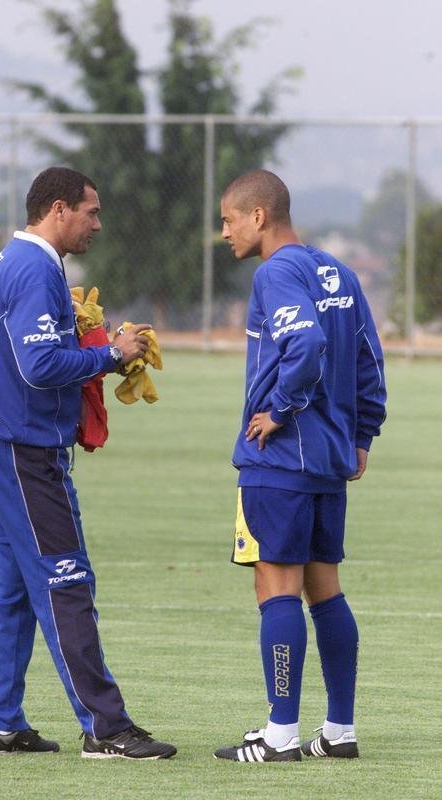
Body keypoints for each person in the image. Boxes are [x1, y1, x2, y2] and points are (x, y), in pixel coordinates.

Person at [0, 166, 177, 760]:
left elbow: (26, 354)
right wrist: (110, 354)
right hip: (22, 449)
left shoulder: (10, 259)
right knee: (65, 580)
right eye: (91, 211)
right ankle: (105, 728)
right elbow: (36, 368)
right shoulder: (34, 267)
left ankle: (2, 724)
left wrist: (83, 343)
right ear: (58, 209)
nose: (98, 223)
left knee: (10, 588)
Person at [214, 170, 386, 764]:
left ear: (259, 217)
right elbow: (368, 358)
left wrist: (278, 412)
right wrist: (362, 434)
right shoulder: (339, 271)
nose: (225, 231)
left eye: (229, 219)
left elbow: (306, 345)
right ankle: (339, 731)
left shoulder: (274, 273)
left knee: (275, 586)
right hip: (329, 462)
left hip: (280, 460)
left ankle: (280, 734)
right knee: (325, 590)